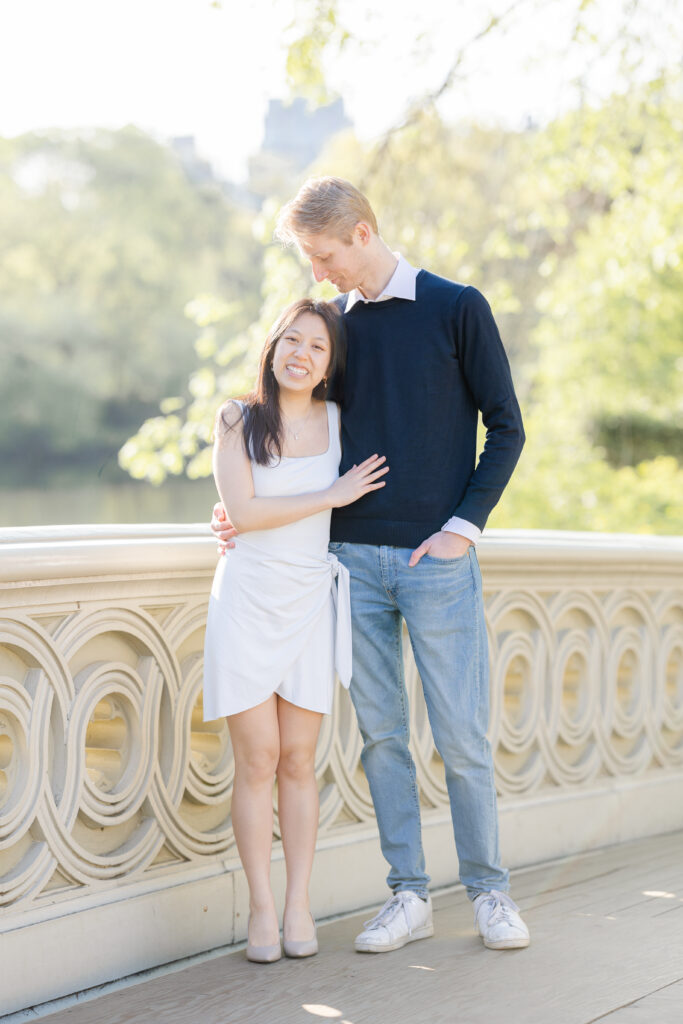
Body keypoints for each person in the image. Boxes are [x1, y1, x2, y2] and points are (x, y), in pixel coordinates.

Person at [212, 177, 530, 953]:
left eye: (323, 255)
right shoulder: (336, 331)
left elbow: (507, 427)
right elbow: (294, 434)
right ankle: (407, 894)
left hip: (436, 561)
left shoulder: (458, 307)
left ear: (360, 233)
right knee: (381, 738)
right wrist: (236, 512)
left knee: (460, 736)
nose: (318, 273)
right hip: (345, 565)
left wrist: (462, 527)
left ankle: (489, 892)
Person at [203, 296, 388, 963]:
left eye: (316, 346)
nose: (300, 354)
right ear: (271, 346)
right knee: (255, 759)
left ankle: (297, 903)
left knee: (296, 761)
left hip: (311, 599)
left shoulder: (342, 421)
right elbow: (242, 514)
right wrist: (329, 496)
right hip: (248, 599)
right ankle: (259, 909)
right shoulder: (236, 419)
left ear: (329, 363)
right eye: (291, 340)